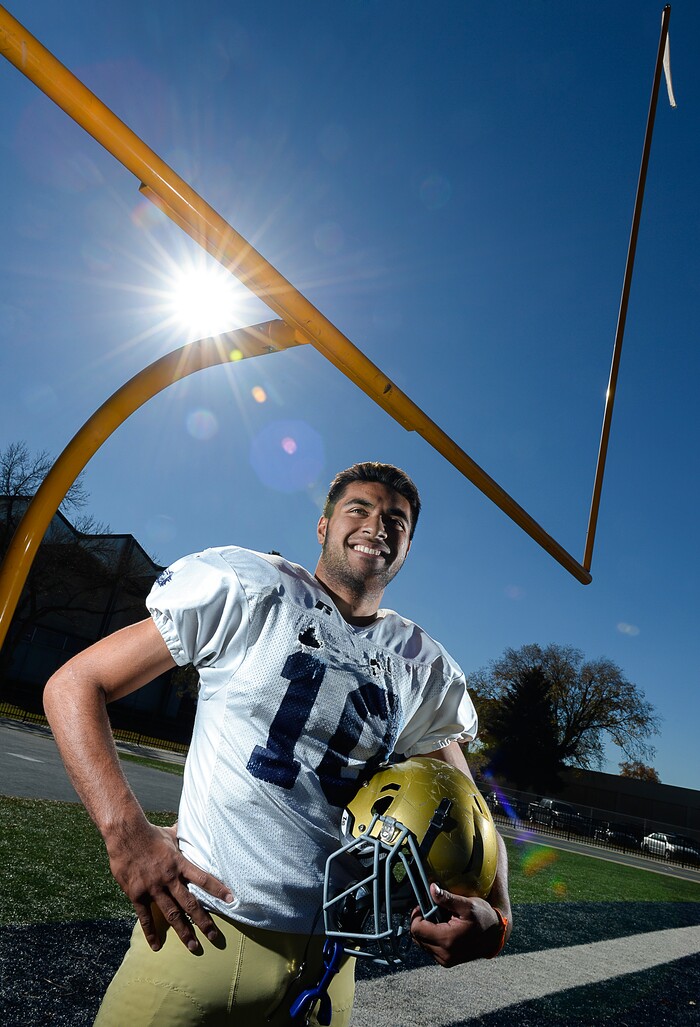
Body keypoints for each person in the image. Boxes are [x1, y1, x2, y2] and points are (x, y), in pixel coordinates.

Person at [44, 461, 512, 1026]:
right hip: (209, 931)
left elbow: (466, 804)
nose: (377, 526)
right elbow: (74, 684)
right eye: (358, 509)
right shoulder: (254, 588)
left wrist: (498, 916)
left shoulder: (418, 664)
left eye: (397, 521)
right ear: (323, 526)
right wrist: (127, 836)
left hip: (333, 961)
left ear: (407, 547)